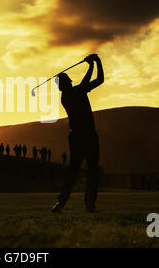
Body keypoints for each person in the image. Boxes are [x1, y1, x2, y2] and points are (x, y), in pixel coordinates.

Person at [52, 53, 104, 213]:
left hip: (82, 135)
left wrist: (96, 63)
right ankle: (68, 203)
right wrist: (93, 64)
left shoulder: (73, 92)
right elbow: (88, 82)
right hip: (82, 136)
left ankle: (86, 204)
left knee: (87, 170)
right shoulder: (69, 95)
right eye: (62, 83)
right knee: (78, 170)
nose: (63, 85)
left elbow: (100, 80)